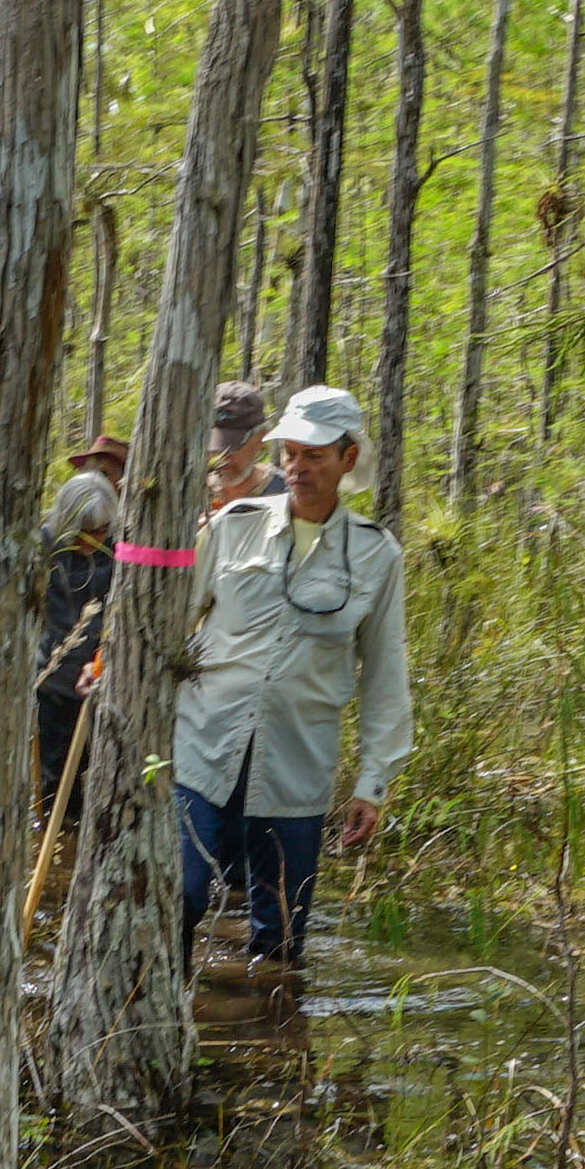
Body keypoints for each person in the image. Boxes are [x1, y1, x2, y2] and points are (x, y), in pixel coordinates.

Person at [169, 385, 412, 973]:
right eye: (289, 455)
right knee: (181, 893)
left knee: (279, 929)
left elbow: (386, 673)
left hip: (297, 764)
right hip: (204, 747)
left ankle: (270, 1050)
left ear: (348, 459)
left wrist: (372, 783)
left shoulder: (377, 555)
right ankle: (159, 1029)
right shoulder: (233, 526)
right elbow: (174, 625)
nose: (297, 468)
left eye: (314, 456)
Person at [34, 429, 127, 802]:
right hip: (52, 685)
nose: (92, 541)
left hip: (105, 683)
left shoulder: (120, 549)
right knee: (56, 791)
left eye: (101, 532)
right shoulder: (44, 547)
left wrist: (103, 661)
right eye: (84, 533)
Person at [203, 379, 277, 515]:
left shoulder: (287, 493)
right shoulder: (187, 494)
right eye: (214, 444)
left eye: (232, 444)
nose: (221, 456)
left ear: (262, 437)